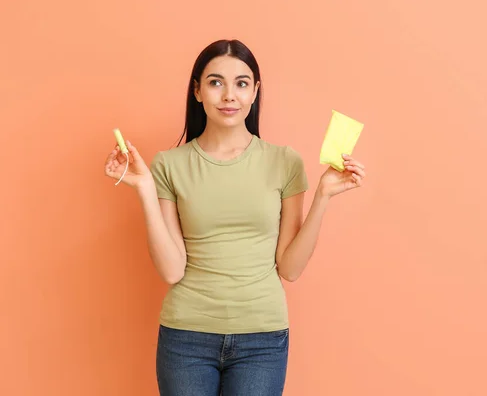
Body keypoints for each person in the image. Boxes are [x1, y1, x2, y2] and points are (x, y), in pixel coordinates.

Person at [104, 39, 367, 396]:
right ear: (197, 91)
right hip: (186, 338)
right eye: (216, 82)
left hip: (262, 340)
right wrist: (145, 188)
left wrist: (323, 195)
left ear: (255, 91)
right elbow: (171, 269)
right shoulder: (169, 164)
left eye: (242, 83)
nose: (229, 95)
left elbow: (289, 268)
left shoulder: (285, 162)